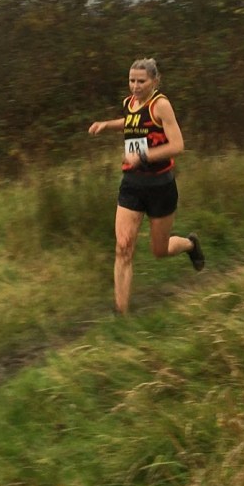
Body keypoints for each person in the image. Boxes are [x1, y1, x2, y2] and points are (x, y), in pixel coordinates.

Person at [88, 58, 204, 314]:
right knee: (123, 246)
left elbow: (178, 146)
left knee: (159, 250)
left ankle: (190, 244)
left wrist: (142, 156)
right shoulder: (129, 103)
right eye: (132, 80)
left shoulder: (161, 105)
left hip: (160, 186)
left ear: (155, 81)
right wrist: (107, 125)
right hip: (131, 184)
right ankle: (121, 315)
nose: (135, 86)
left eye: (141, 81)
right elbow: (131, 122)